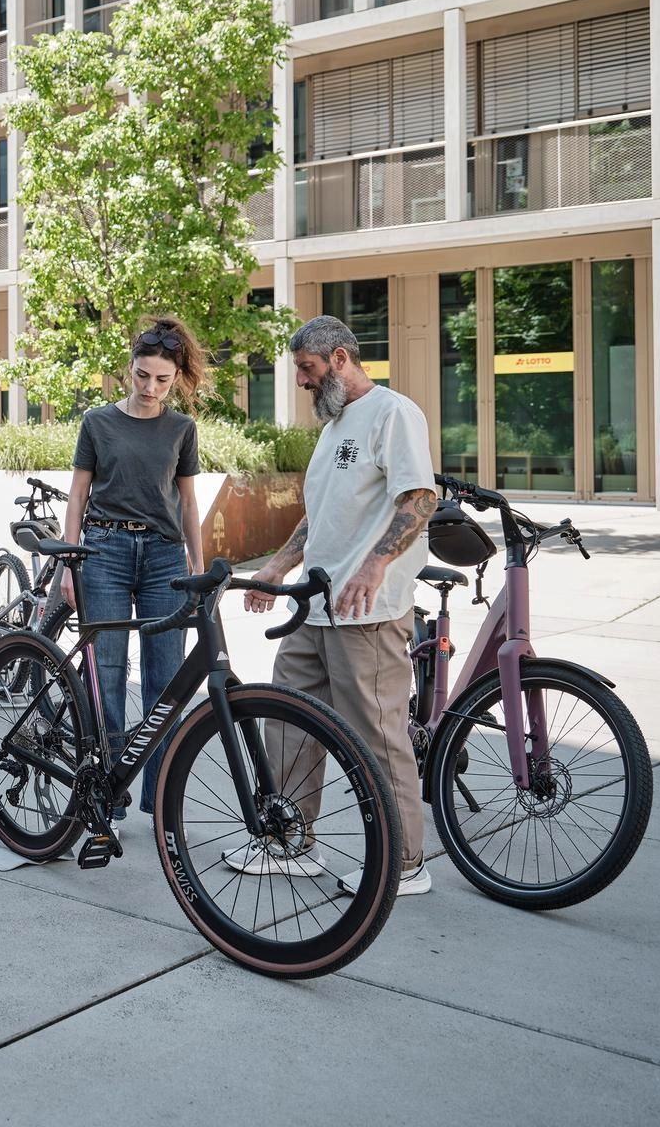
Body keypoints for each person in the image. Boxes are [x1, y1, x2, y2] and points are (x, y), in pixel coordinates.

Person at [240, 314, 436, 896]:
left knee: (377, 734)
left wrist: (376, 564)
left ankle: (405, 864)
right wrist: (278, 565)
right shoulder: (334, 428)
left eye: (307, 368)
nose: (301, 381)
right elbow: (322, 515)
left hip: (367, 612)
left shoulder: (394, 413)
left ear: (341, 359)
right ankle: (288, 841)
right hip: (315, 605)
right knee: (288, 722)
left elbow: (419, 498)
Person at [61, 317, 205, 823]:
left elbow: (188, 503)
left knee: (167, 678)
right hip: (104, 553)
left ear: (176, 378)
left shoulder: (182, 429)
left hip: (165, 556)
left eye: (162, 379)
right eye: (142, 375)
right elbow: (79, 493)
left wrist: (200, 568)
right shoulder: (97, 423)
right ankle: (110, 789)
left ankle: (160, 794)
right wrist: (68, 559)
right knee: (108, 670)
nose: (150, 388)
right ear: (129, 369)